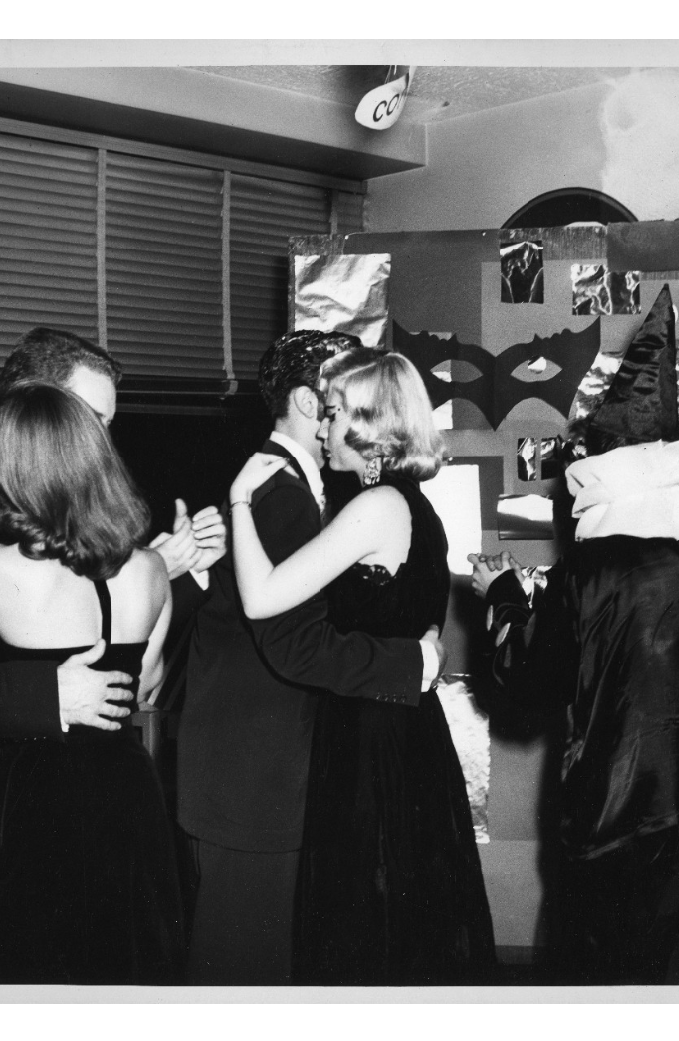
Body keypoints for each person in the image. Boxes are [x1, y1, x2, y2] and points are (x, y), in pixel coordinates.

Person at [469, 285, 679, 985]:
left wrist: (499, 595)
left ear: (604, 467)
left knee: (616, 972)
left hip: (621, 817)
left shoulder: (594, 569)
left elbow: (526, 681)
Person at [0, 327, 224, 974]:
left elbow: (125, 671)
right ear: (29, 410)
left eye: (107, 422)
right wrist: (48, 696)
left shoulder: (91, 529)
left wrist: (182, 573)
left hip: (87, 835)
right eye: (89, 417)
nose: (101, 440)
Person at [176, 331, 446, 986]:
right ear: (309, 399)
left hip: (300, 770)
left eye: (342, 406)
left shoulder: (331, 495)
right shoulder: (283, 492)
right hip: (259, 780)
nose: (330, 421)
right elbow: (291, 638)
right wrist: (412, 663)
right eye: (328, 402)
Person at [227, 347, 497, 986]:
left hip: (371, 739)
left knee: (366, 922)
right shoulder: (411, 506)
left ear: (370, 426)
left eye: (334, 413)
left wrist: (240, 503)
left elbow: (262, 597)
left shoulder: (374, 509)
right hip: (402, 729)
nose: (321, 429)